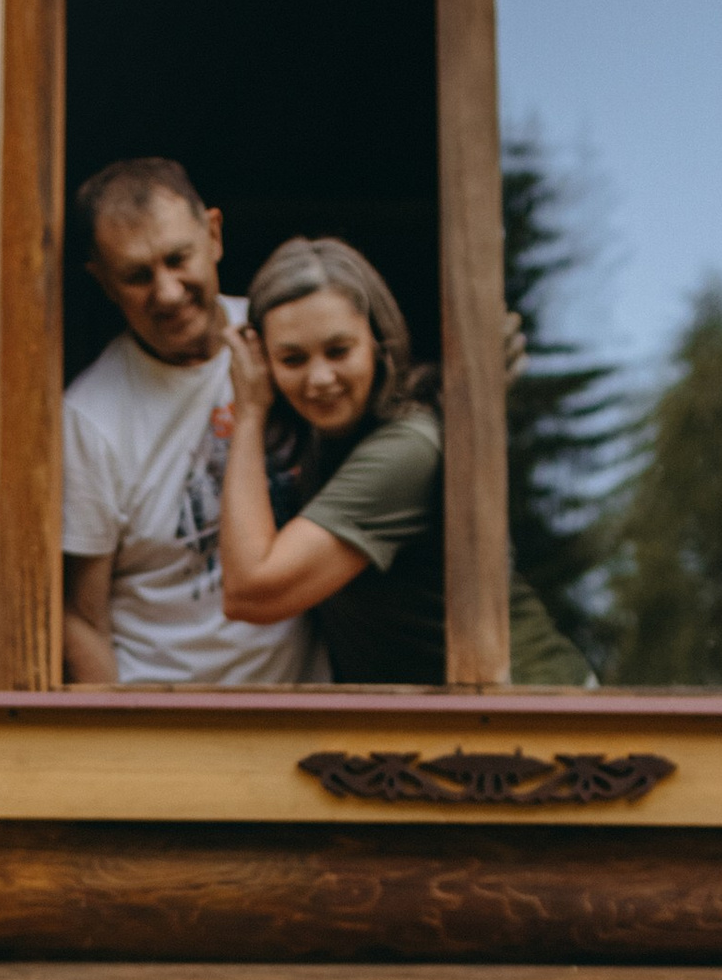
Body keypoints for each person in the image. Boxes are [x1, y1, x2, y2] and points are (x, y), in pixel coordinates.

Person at [217, 232, 594, 686]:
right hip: (455, 724)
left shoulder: (405, 449)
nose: (319, 378)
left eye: (339, 351)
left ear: (378, 340)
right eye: (293, 359)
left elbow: (252, 592)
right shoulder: (327, 440)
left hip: (539, 713)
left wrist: (250, 411)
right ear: (265, 362)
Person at [59, 158, 313, 686]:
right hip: (166, 717)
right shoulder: (89, 418)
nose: (168, 292)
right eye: (136, 275)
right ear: (103, 281)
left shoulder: (285, 342)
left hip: (306, 710)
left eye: (178, 259)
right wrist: (117, 744)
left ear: (214, 235)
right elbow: (82, 618)